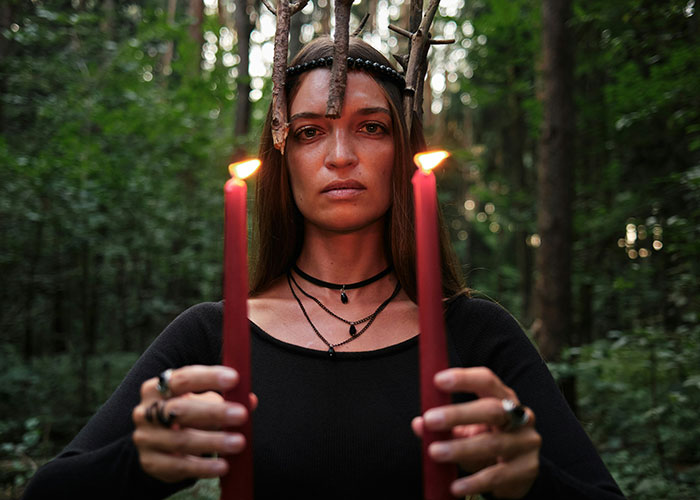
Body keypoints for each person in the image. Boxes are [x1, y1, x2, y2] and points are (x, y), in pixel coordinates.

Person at [23, 36, 625, 500]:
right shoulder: (211, 335)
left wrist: (530, 480)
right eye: (311, 133)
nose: (341, 156)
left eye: (371, 127)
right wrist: (138, 461)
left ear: (404, 152)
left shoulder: (476, 333)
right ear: (281, 159)